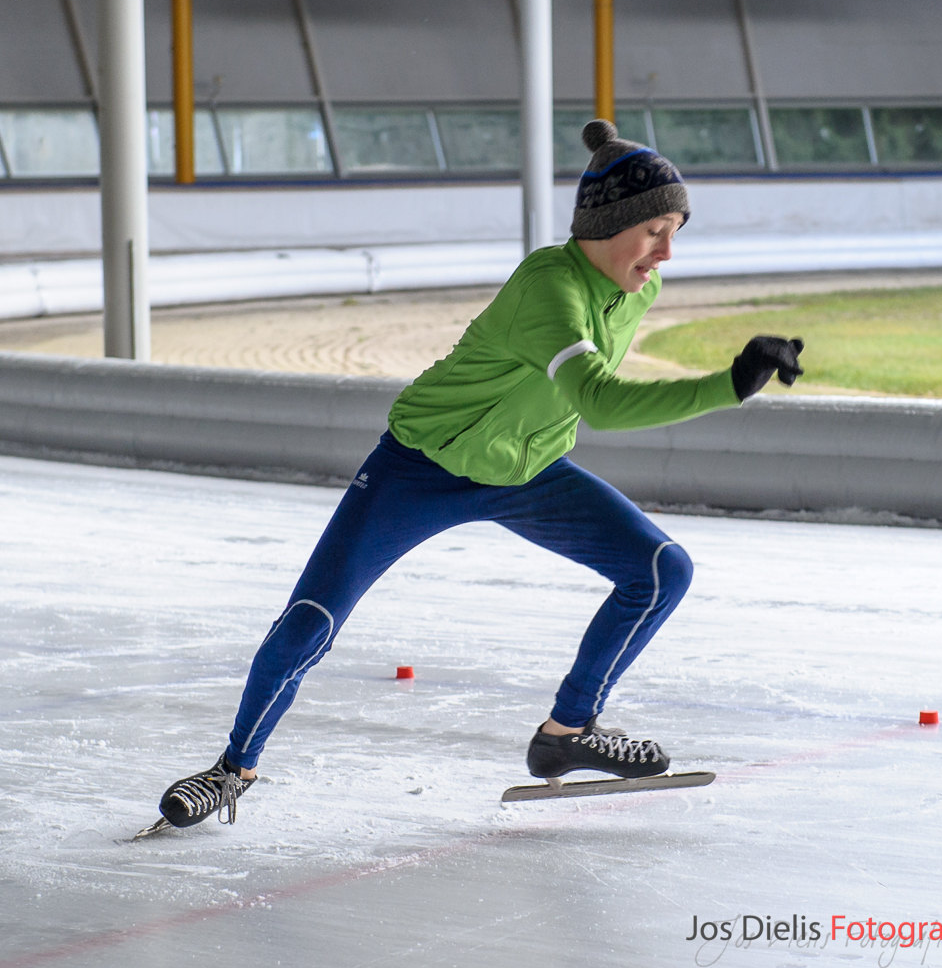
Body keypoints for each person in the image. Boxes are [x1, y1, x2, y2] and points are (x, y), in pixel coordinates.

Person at [157, 119, 804, 828]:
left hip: (527, 472)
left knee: (660, 570)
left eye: (675, 233)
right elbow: (599, 401)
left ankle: (568, 733)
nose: (667, 253)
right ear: (606, 224)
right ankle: (234, 768)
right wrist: (729, 384)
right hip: (419, 469)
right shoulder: (548, 289)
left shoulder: (634, 291)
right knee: (310, 621)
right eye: (654, 231)